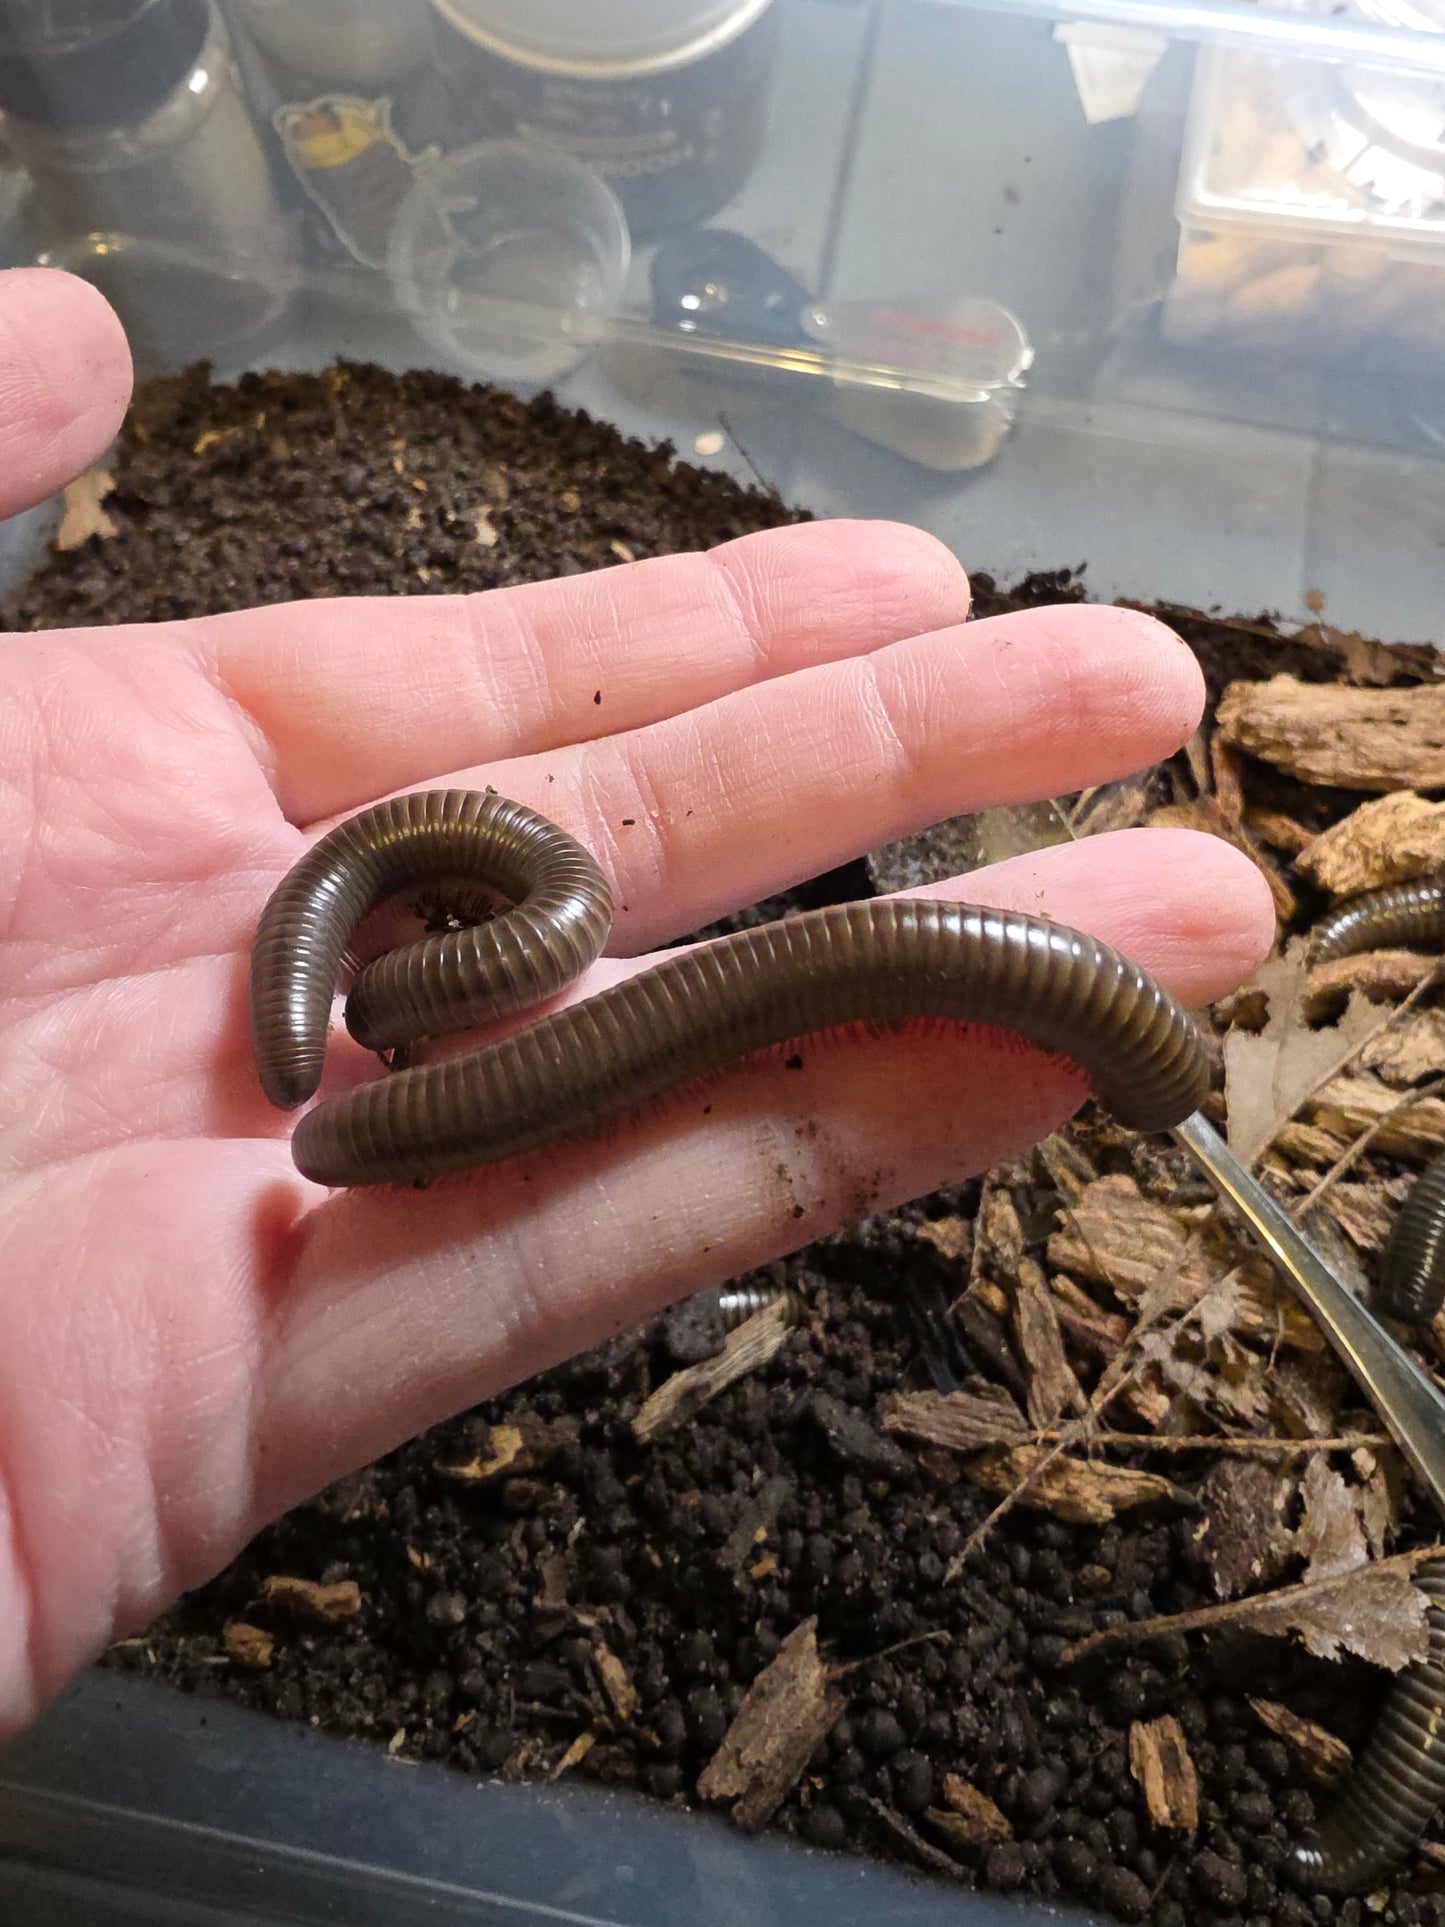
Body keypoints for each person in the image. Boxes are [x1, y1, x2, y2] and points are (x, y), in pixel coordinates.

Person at [0, 266, 1273, 1743]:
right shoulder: (473, 922)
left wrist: (375, 1022)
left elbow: (419, 1012)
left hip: (487, 950)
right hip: (475, 952)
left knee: (928, 974)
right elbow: (390, 1027)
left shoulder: (504, 918)